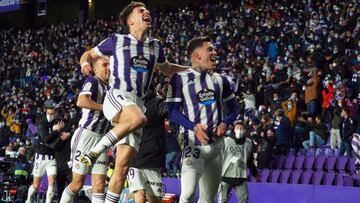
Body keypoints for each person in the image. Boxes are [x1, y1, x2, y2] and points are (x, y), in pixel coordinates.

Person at [78, 2, 188, 202]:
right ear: (131, 21)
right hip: (118, 95)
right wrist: (85, 63)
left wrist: (191, 70)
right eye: (141, 11)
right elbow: (88, 54)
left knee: (121, 168)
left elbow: (167, 68)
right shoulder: (116, 40)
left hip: (137, 104)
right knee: (140, 118)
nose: (147, 12)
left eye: (147, 10)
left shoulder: (155, 47)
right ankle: (94, 152)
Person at [167, 36, 239, 203]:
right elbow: (172, 112)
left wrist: (225, 122)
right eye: (210, 49)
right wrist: (194, 127)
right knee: (188, 193)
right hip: (193, 144)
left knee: (208, 198)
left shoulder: (222, 80)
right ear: (197, 56)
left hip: (216, 147)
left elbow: (235, 109)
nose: (214, 52)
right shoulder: (179, 78)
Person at [60, 56, 111, 203]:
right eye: (104, 65)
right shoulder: (93, 81)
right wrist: (105, 108)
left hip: (102, 140)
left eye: (110, 65)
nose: (108, 68)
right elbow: (81, 101)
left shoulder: (112, 86)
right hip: (86, 136)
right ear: (95, 69)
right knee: (77, 184)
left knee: (99, 185)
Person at [127, 89, 168, 203]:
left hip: (152, 159)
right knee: (139, 198)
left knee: (155, 200)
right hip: (134, 158)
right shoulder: (130, 102)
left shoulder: (157, 102)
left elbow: (168, 111)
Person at [26, 104, 64, 203]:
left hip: (51, 158)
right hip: (40, 157)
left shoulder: (58, 122)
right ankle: (28, 200)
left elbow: (57, 139)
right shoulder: (41, 124)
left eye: (52, 113)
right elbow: (46, 139)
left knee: (51, 182)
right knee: (36, 185)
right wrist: (56, 131)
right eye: (48, 113)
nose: (50, 115)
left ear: (55, 114)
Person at [217, 121, 260, 203]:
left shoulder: (249, 142)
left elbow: (249, 160)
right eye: (237, 128)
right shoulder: (226, 141)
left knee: (244, 200)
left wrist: (255, 173)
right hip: (225, 177)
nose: (239, 130)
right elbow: (218, 157)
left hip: (241, 177)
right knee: (222, 201)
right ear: (234, 130)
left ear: (245, 131)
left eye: (241, 128)